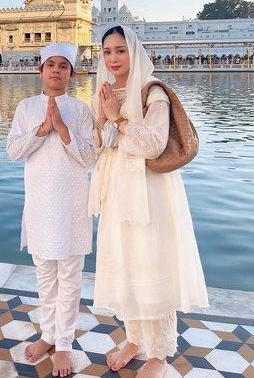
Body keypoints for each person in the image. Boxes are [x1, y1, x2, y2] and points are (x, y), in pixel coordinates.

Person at [89, 25, 208, 377]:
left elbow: (153, 145)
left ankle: (159, 353)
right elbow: (99, 148)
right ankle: (135, 339)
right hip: (118, 191)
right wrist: (101, 120)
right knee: (126, 264)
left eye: (121, 50)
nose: (113, 58)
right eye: (107, 51)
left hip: (148, 192)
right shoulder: (106, 92)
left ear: (135, 52)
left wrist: (116, 118)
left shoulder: (152, 91)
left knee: (151, 264)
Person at [7, 43, 94, 378]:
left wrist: (62, 128)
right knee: (44, 273)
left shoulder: (81, 109)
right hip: (41, 202)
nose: (56, 71)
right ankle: (48, 334)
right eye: (50, 65)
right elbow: (14, 151)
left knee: (70, 276)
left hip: (72, 202)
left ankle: (65, 343)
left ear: (72, 73)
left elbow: (89, 157)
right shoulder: (27, 107)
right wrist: (43, 129)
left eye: (63, 66)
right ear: (40, 70)